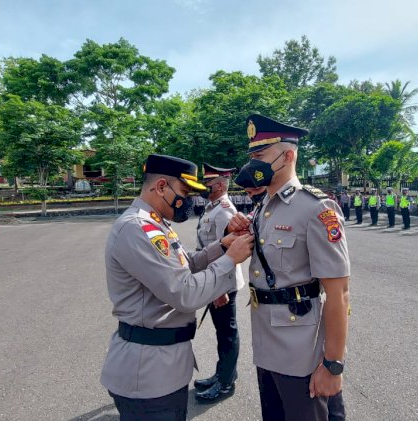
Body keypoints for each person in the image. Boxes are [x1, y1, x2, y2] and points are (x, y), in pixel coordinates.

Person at [100, 153, 253, 421]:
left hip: (163, 367)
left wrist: (223, 245)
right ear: (161, 187)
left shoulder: (156, 224)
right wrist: (230, 259)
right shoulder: (137, 228)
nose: (190, 200)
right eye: (184, 191)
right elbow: (184, 292)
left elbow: (188, 264)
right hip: (148, 374)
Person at [235, 114, 350, 420]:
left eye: (260, 156)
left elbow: (338, 294)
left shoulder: (316, 207)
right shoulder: (264, 208)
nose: (253, 164)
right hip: (267, 344)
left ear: (288, 156)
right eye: (252, 157)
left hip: (302, 352)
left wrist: (333, 365)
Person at [193, 163, 244, 404]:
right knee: (221, 332)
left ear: (221, 185)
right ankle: (222, 373)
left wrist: (220, 288)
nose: (204, 187)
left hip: (222, 283)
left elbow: (230, 250)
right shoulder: (212, 207)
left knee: (227, 334)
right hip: (214, 277)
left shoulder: (224, 210)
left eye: (208, 184)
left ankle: (226, 384)